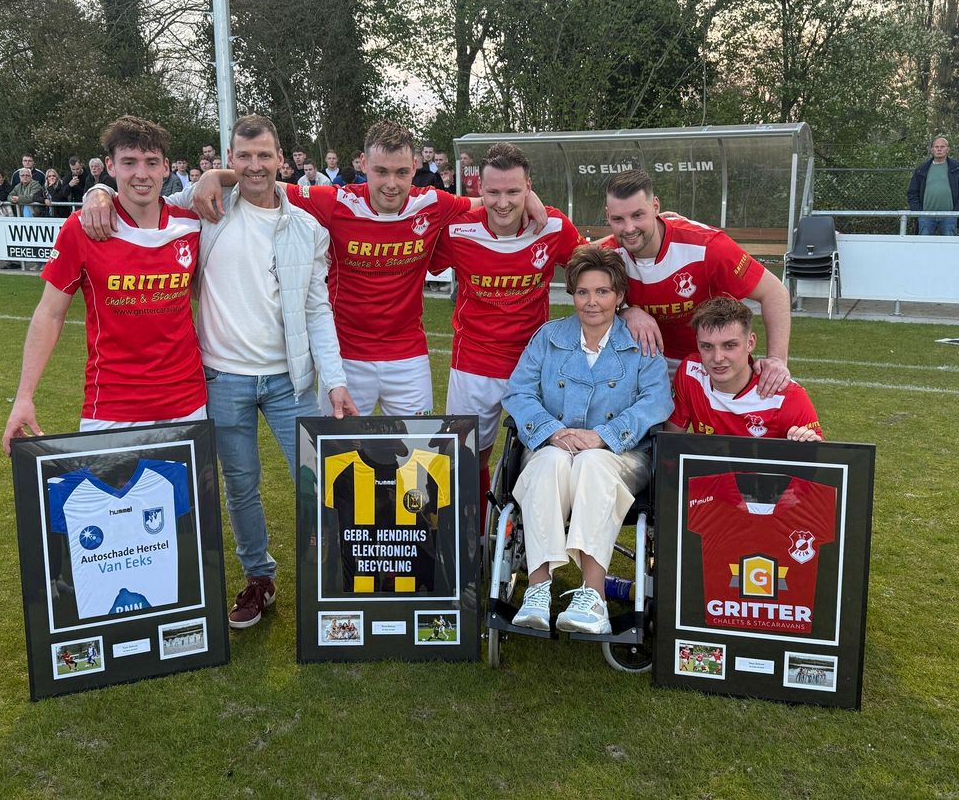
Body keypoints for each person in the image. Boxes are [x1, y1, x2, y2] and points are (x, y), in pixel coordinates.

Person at [80, 114, 356, 630]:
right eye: (243, 157)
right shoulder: (202, 209)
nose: (255, 166)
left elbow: (319, 310)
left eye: (264, 156)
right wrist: (95, 189)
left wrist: (335, 380)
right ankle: (259, 578)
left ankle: (335, 575)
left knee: (319, 481)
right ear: (231, 160)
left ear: (281, 160)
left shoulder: (307, 228)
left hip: (290, 382)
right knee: (241, 486)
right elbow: (135, 193)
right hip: (222, 379)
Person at [180, 119, 546, 418]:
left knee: (418, 465)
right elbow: (262, 179)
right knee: (339, 463)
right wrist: (216, 177)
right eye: (381, 171)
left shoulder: (434, 203)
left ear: (415, 168)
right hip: (346, 357)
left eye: (402, 172)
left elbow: (491, 200)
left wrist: (527, 194)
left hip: (409, 358)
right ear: (363, 166)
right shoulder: (335, 201)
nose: (391, 183)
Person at [1, 115, 206, 456]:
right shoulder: (82, 228)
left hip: (187, 403)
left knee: (186, 509)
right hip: (111, 407)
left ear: (166, 168)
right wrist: (23, 397)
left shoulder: (192, 224)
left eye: (151, 162)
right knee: (112, 507)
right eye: (129, 162)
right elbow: (49, 314)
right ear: (110, 166)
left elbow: (251, 182)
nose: (142, 174)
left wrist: (213, 174)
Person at [502, 248, 672, 634]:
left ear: (619, 296)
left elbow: (656, 401)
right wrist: (552, 432)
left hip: (620, 456)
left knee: (594, 464)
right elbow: (519, 393)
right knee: (548, 462)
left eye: (602, 292)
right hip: (554, 449)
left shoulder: (639, 342)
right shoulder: (549, 337)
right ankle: (538, 589)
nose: (592, 302)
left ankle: (591, 597)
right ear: (572, 294)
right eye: (582, 292)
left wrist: (603, 437)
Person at [434, 142, 585, 523]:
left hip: (534, 364)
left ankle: (533, 531)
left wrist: (630, 309)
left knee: (543, 453)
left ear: (528, 187)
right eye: (493, 192)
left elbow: (595, 267)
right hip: (474, 362)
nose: (502, 203)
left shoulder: (553, 227)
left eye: (514, 191)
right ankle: (472, 537)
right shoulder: (458, 230)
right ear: (478, 191)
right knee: (470, 455)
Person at [598, 168, 793, 397]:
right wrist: (626, 312)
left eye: (637, 215)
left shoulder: (707, 245)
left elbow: (775, 292)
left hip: (712, 361)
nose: (629, 228)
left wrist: (777, 360)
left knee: (736, 428)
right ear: (607, 215)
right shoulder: (607, 255)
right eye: (618, 219)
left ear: (656, 207)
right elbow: (580, 273)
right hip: (651, 363)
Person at [664, 297, 822, 441]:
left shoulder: (788, 397)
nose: (718, 358)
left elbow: (819, 464)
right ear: (697, 343)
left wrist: (808, 445)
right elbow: (669, 446)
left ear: (750, 343)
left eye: (730, 345)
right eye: (707, 346)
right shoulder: (690, 372)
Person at [907, 135, 959, 236]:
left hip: (949, 217)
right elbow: (912, 193)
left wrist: (956, 212)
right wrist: (919, 212)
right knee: (924, 246)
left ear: (948, 150)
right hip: (926, 216)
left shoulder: (957, 168)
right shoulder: (921, 169)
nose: (939, 149)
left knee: (948, 247)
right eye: (936, 147)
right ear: (932, 150)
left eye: (942, 147)